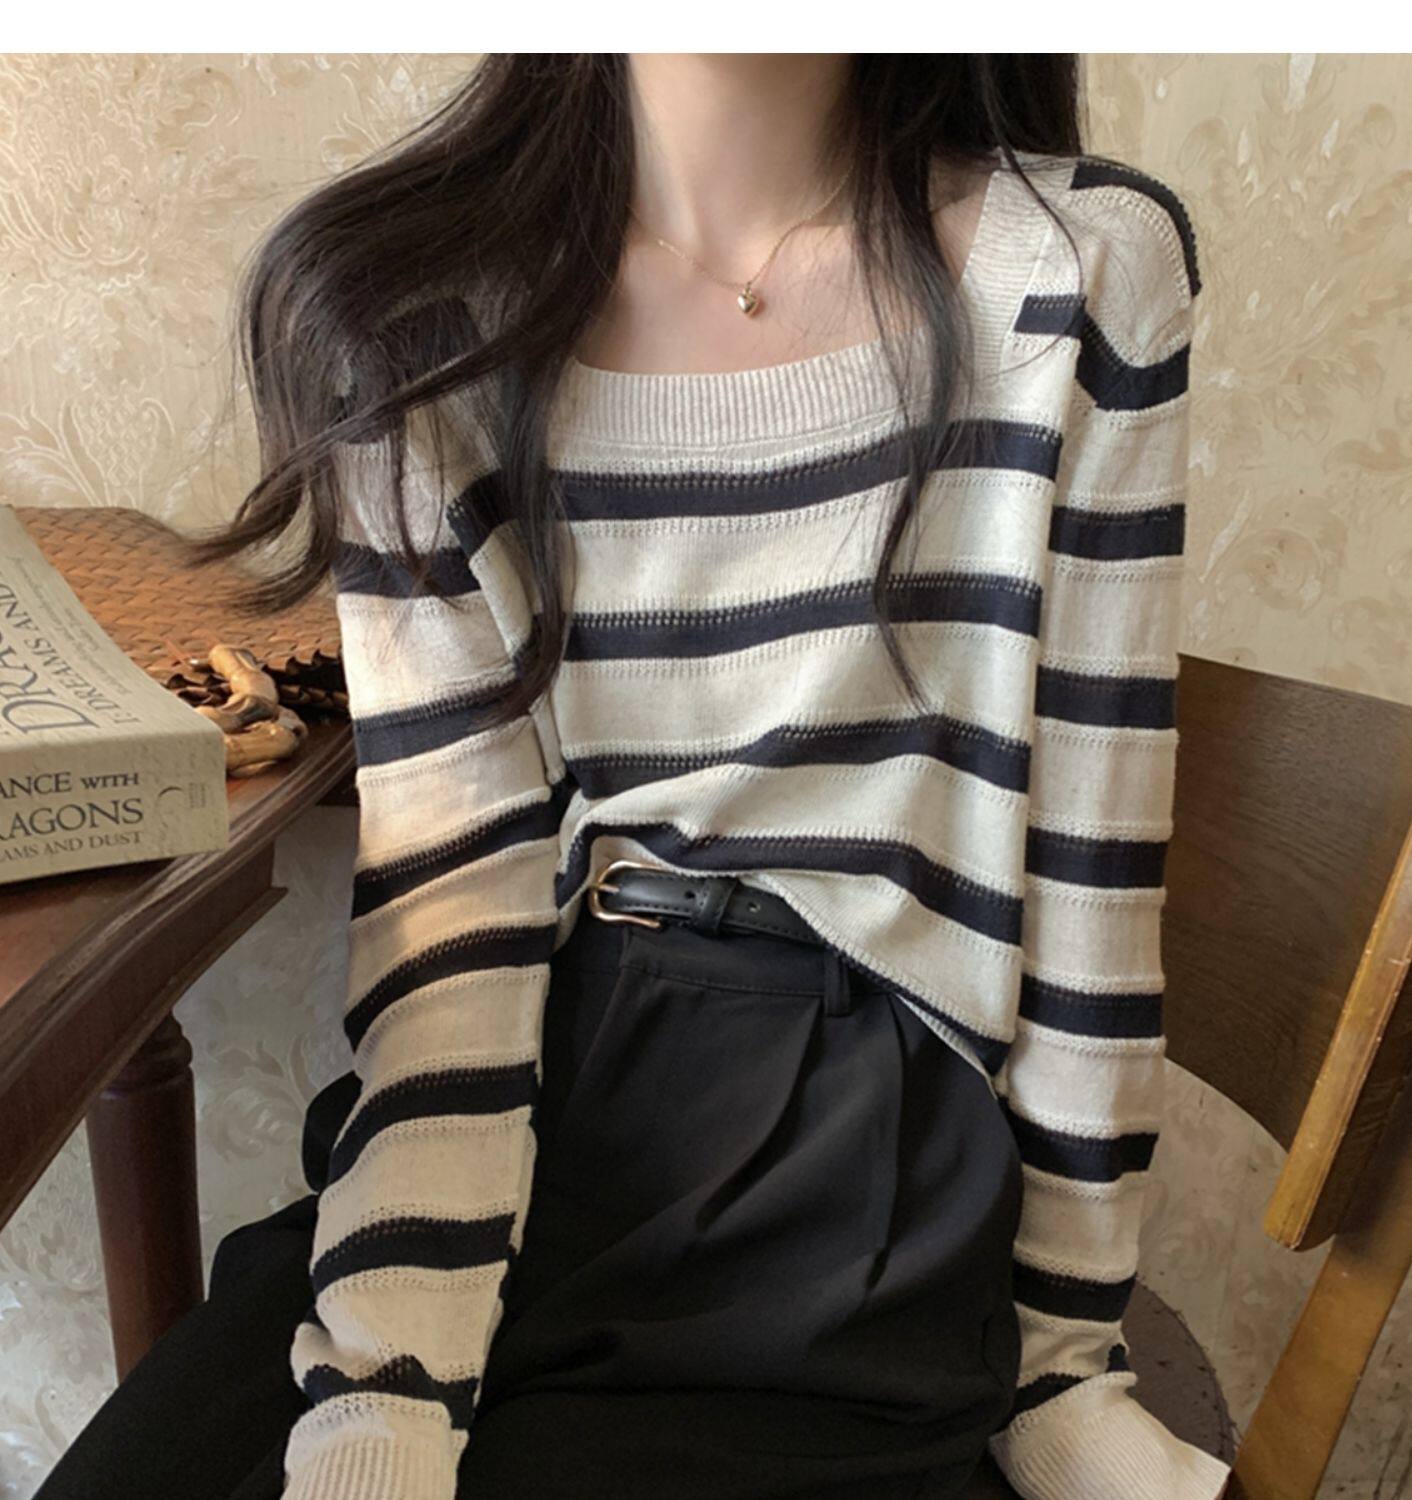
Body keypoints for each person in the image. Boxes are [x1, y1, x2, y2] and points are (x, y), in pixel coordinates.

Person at [36, 54, 1231, 1500]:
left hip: (859, 1147)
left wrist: (1063, 1358)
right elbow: (454, 912)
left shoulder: (1080, 272)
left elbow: (1094, 865)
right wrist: (388, 1388)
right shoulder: (415, 319)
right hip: (534, 1085)